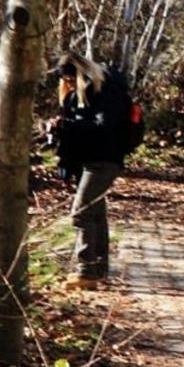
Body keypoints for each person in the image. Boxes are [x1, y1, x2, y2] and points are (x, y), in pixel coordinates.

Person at [53, 51, 128, 290]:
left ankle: (86, 271)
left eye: (69, 79)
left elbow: (103, 125)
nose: (67, 84)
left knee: (81, 212)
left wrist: (70, 126)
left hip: (104, 159)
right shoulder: (82, 93)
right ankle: (98, 269)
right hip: (90, 160)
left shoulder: (104, 89)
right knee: (95, 212)